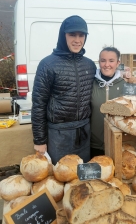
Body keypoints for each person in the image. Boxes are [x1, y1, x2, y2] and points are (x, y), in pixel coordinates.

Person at [31, 15, 96, 164]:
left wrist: (126, 76)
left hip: (84, 132)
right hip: (59, 134)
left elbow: (104, 83)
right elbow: (39, 104)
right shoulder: (48, 64)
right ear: (63, 35)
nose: (77, 40)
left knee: (81, 178)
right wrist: (40, 140)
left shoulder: (89, 65)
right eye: (72, 34)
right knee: (59, 178)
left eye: (81, 35)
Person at [90, 47, 130, 157]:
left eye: (111, 61)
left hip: (118, 142)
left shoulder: (125, 85)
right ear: (99, 62)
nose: (107, 64)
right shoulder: (90, 83)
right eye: (103, 60)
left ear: (118, 63)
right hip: (93, 144)